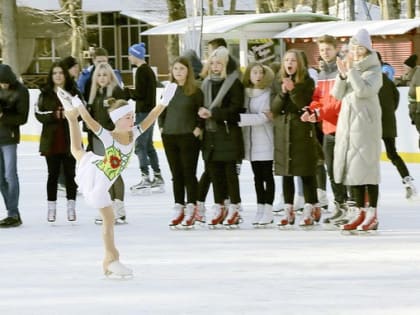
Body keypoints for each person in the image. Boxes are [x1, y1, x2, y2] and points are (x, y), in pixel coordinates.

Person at [60, 83, 176, 276]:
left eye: (131, 116)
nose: (132, 120)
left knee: (78, 152)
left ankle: (109, 261)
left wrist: (164, 102)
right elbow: (89, 120)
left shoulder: (133, 134)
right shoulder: (108, 136)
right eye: (127, 117)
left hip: (100, 171)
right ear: (117, 120)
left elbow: (151, 117)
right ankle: (111, 257)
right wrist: (79, 105)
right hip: (97, 180)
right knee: (109, 219)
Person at [332, 28, 382, 232]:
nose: (357, 52)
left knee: (368, 170)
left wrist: (351, 72)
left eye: (360, 48)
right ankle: (360, 211)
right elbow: (336, 95)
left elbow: (363, 91)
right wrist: (342, 75)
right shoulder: (350, 68)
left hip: (366, 127)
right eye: (354, 48)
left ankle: (372, 213)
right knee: (353, 171)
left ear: (368, 50)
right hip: (348, 126)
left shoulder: (374, 70)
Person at [302, 34, 349, 226]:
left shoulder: (341, 71)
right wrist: (310, 109)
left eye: (328, 49)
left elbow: (339, 102)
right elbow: (318, 98)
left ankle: (350, 205)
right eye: (321, 50)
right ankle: (339, 204)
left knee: (344, 169)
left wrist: (319, 113)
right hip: (327, 127)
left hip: (343, 126)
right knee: (331, 169)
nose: (325, 53)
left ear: (336, 49)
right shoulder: (321, 74)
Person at [271, 49, 320, 227]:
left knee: (305, 171)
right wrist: (283, 92)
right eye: (286, 60)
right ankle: (288, 209)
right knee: (286, 172)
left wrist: (292, 91)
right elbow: (274, 108)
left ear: (299, 63)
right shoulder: (277, 83)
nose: (289, 63)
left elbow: (303, 104)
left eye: (293, 60)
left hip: (301, 131)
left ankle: (309, 207)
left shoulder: (307, 82)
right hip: (283, 131)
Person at [198, 46, 244, 228]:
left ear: (225, 64)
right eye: (212, 63)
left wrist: (214, 114)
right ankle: (219, 205)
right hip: (211, 135)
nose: (215, 66)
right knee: (215, 172)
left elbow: (236, 110)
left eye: (219, 63)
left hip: (228, 133)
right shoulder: (206, 84)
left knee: (230, 173)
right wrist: (201, 115)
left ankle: (235, 206)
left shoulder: (234, 83)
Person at [158, 56, 204, 228]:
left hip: (188, 136)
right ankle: (179, 206)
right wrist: (162, 127)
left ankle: (192, 206)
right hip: (170, 136)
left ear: (188, 71)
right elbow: (161, 111)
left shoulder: (195, 91)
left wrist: (198, 128)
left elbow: (202, 112)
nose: (178, 72)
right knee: (176, 174)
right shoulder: (168, 89)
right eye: (176, 69)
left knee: (188, 173)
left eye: (182, 69)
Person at [35, 62, 78, 222]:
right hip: (51, 141)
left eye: (60, 72)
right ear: (51, 76)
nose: (58, 75)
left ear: (65, 75)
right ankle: (51, 208)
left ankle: (71, 208)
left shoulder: (73, 92)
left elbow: (81, 112)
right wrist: (54, 115)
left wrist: (70, 115)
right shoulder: (44, 94)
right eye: (55, 73)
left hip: (70, 140)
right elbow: (38, 114)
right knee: (52, 175)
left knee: (70, 175)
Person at [86, 62, 128, 224]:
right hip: (98, 139)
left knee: (114, 172)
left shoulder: (115, 92)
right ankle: (109, 206)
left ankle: (119, 208)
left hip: (112, 138)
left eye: (105, 75)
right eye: (99, 75)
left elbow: (123, 114)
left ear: (110, 76)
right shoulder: (95, 95)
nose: (102, 78)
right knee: (104, 173)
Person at [376, 52, 417, 199]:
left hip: (373, 123)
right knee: (392, 153)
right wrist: (389, 114)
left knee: (370, 156)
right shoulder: (388, 81)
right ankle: (407, 180)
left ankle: (371, 189)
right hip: (388, 122)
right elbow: (396, 99)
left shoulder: (371, 80)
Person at [238, 62, 275, 226]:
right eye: (254, 72)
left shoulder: (267, 93)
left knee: (267, 176)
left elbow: (264, 117)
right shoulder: (245, 94)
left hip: (265, 140)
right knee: (257, 178)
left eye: (261, 72)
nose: (258, 76)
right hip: (251, 143)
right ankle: (260, 207)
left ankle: (268, 209)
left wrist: (241, 120)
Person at [127, 43, 164, 194]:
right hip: (150, 112)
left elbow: (140, 94)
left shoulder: (141, 71)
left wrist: (127, 92)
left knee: (140, 145)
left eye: (130, 54)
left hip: (143, 113)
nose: (129, 57)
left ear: (136, 55)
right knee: (148, 145)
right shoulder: (147, 70)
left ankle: (145, 177)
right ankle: (157, 175)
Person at [0, 64, 29, 228]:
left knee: (10, 176)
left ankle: (13, 213)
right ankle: (13, 212)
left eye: (5, 82)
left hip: (9, 139)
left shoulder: (21, 91)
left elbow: (22, 118)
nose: (3, 86)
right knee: (0, 179)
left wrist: (3, 116)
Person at [404, 55, 420, 151]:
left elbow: (419, 90)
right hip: (414, 110)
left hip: (418, 111)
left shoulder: (418, 75)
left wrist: (419, 110)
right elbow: (404, 80)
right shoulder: (412, 74)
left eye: (405, 67)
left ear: (410, 68)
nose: (404, 69)